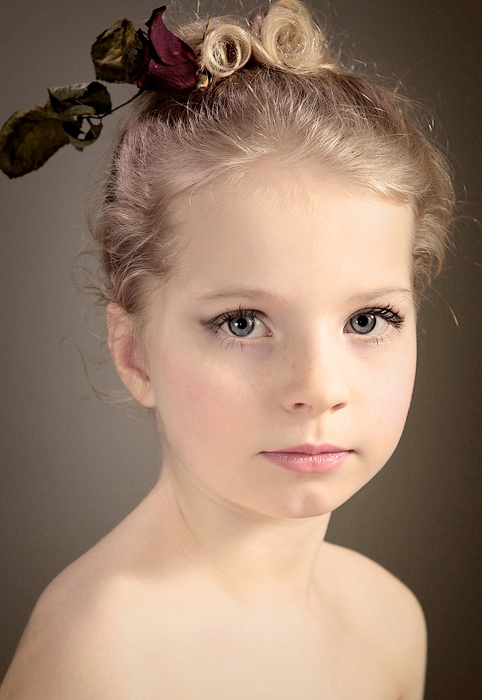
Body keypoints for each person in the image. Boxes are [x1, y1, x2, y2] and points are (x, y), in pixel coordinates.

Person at [0, 0, 455, 697]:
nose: (318, 386)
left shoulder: (392, 621)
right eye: (243, 322)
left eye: (368, 320)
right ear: (135, 355)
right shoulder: (95, 668)